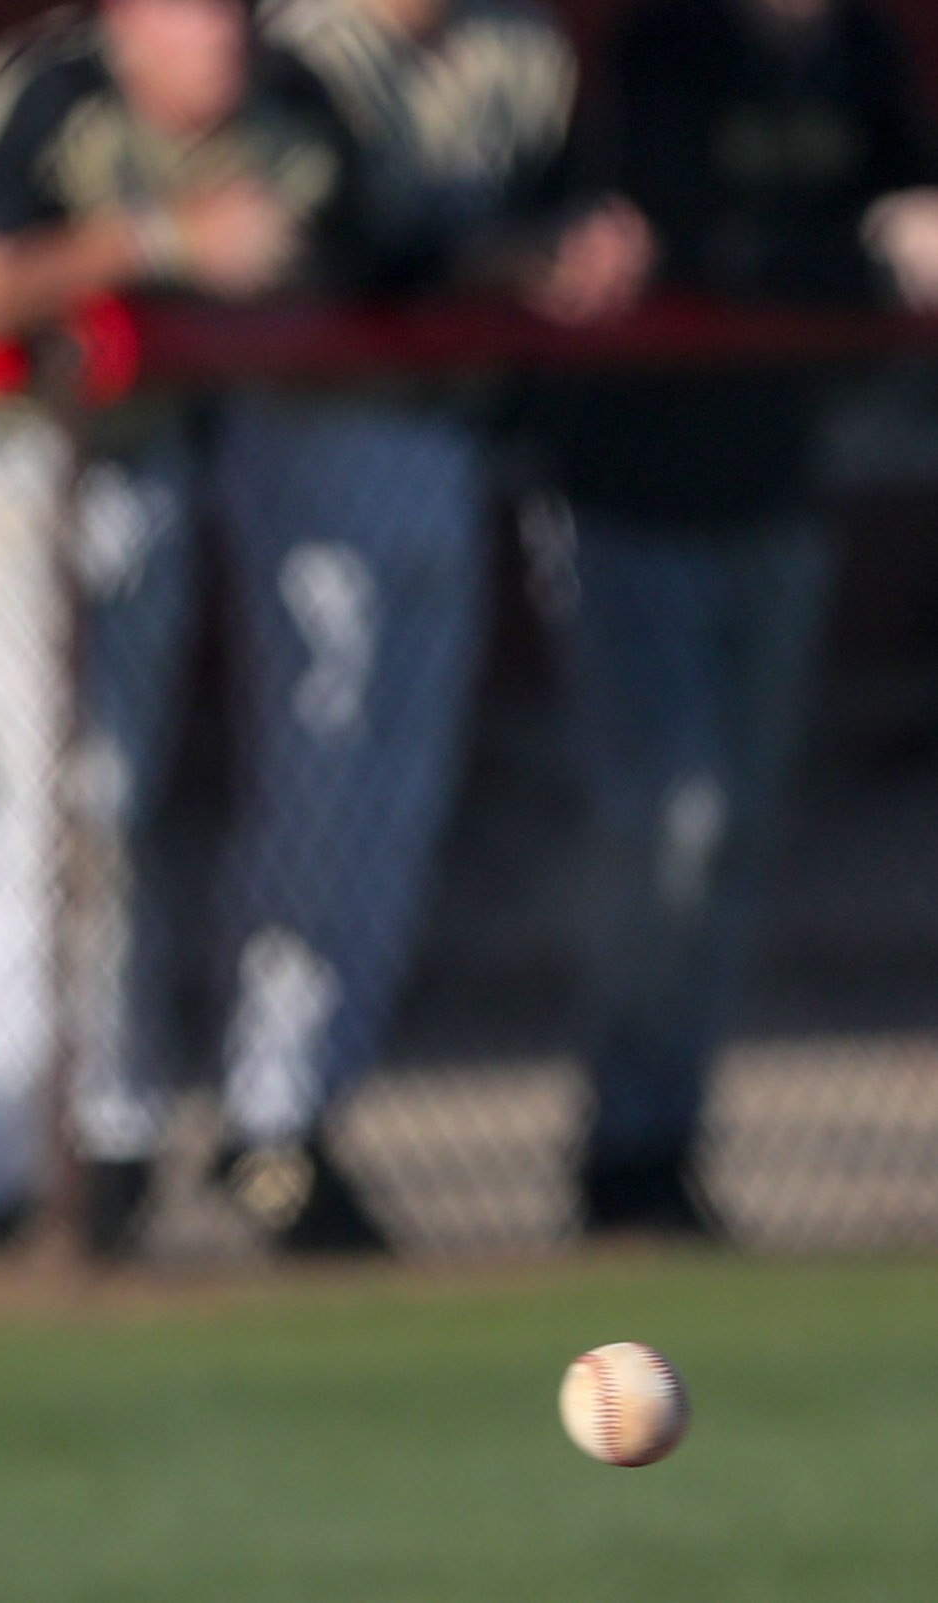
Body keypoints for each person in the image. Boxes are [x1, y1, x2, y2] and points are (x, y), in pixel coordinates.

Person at [0, 0, 314, 1254]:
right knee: (74, 793)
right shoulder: (52, 91)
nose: (222, 37)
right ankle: (54, 1140)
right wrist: (158, 237)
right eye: (192, 15)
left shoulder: (292, 110)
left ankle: (22, 1156)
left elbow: (312, 290)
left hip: (136, 470)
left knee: (68, 802)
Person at [207, 0, 651, 1250]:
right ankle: (263, 1110)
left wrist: (578, 245)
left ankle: (304, 1113)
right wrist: (495, 259)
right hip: (311, 428)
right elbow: (322, 249)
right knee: (322, 782)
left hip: (443, 435)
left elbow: (568, 200)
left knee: (395, 798)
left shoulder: (520, 51)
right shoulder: (302, 51)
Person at [548, 0, 938, 1234]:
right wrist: (862, 255)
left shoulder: (859, 54)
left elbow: (906, 200)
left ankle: (665, 1137)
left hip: (778, 491)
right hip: (631, 496)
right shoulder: (669, 49)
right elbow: (696, 245)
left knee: (737, 831)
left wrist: (896, 228)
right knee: (672, 815)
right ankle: (619, 1137)